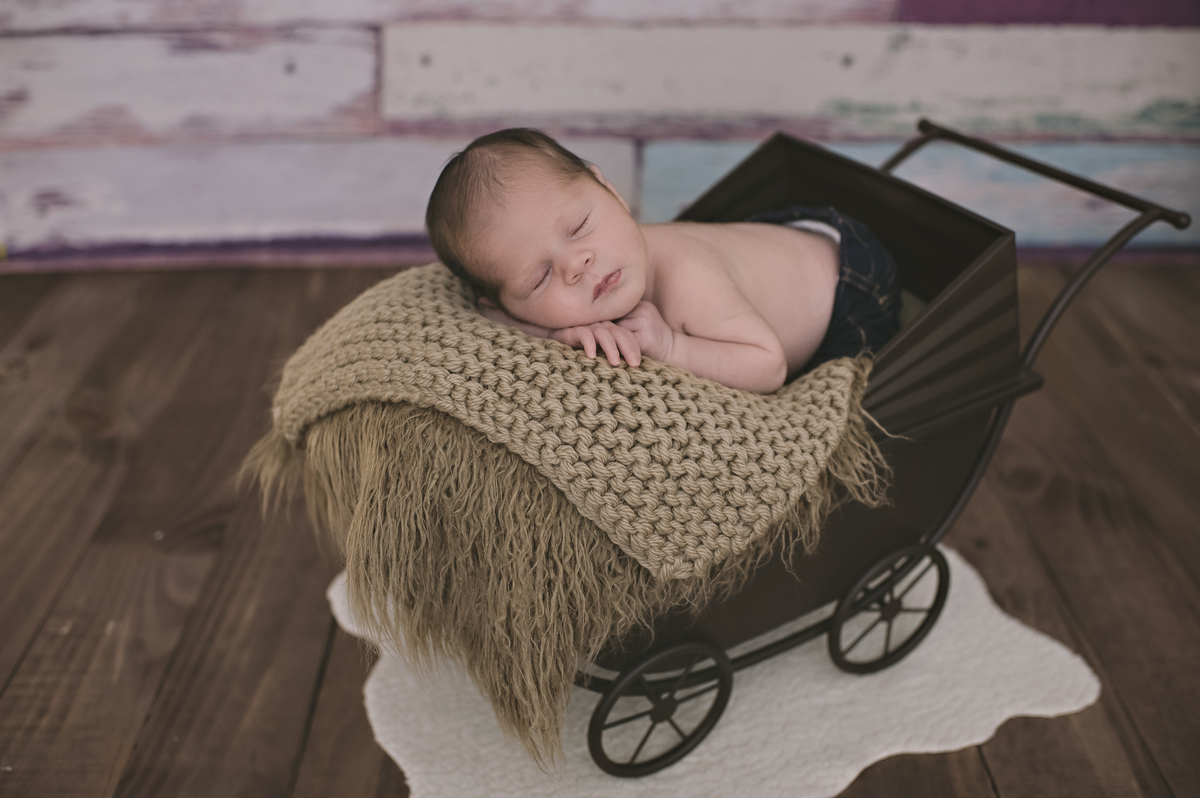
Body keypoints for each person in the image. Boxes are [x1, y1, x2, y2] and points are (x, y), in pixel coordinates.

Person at [425, 129, 900, 393]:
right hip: (770, 248)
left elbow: (769, 365)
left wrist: (673, 347)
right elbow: (492, 320)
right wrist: (552, 332)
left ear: (607, 187)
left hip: (846, 285)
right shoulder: (525, 307)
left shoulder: (686, 277)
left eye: (578, 228)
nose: (577, 263)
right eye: (539, 277)